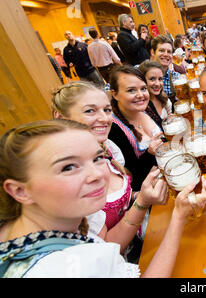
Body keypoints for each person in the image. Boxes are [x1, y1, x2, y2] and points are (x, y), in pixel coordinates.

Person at [0, 119, 206, 277]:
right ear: (20, 191)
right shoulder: (70, 267)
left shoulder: (24, 229)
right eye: (68, 167)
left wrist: (143, 200)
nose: (98, 175)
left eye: (97, 158)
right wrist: (179, 217)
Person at [51, 81, 166, 258]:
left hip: (142, 236)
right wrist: (142, 201)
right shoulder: (68, 179)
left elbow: (123, 199)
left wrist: (141, 193)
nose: (104, 119)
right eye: (90, 111)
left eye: (106, 110)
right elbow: (105, 251)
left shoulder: (108, 147)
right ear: (61, 117)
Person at [108, 65, 164, 191]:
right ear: (115, 94)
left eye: (143, 89)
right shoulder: (113, 129)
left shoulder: (147, 107)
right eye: (131, 90)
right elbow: (131, 177)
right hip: (149, 191)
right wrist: (149, 154)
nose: (140, 95)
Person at [138, 60, 173, 125]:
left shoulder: (163, 98)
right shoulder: (140, 106)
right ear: (142, 80)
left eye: (160, 79)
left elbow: (170, 116)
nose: (157, 84)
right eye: (152, 79)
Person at [150, 34, 181, 102]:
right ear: (152, 52)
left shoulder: (176, 77)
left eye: (169, 52)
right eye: (161, 50)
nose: (166, 54)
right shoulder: (140, 72)